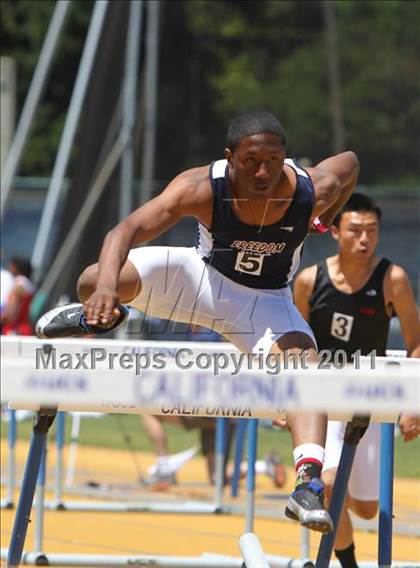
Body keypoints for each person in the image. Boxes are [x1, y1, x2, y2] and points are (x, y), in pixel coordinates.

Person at [36, 110, 360, 534]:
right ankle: (100, 314)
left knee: (305, 364)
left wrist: (326, 216)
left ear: (286, 158)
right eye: (250, 162)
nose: (262, 173)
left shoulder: (310, 189)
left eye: (273, 161)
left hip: (263, 302)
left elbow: (350, 162)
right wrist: (106, 291)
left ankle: (307, 485)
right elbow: (125, 230)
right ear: (229, 158)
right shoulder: (202, 188)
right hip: (198, 279)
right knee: (95, 278)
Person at [293, 193, 420, 567]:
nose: (365, 239)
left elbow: (416, 344)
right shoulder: (308, 281)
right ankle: (348, 563)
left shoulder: (392, 279)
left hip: (368, 402)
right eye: (356, 231)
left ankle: (342, 497)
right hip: (322, 402)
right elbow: (292, 344)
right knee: (329, 487)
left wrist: (412, 404)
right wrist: (288, 403)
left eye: (372, 231)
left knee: (365, 508)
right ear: (335, 232)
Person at [2, 256, 35, 336]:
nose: (9, 268)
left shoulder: (18, 285)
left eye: (11, 265)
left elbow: (10, 314)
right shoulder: (29, 284)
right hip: (24, 329)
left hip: (13, 330)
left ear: (16, 267)